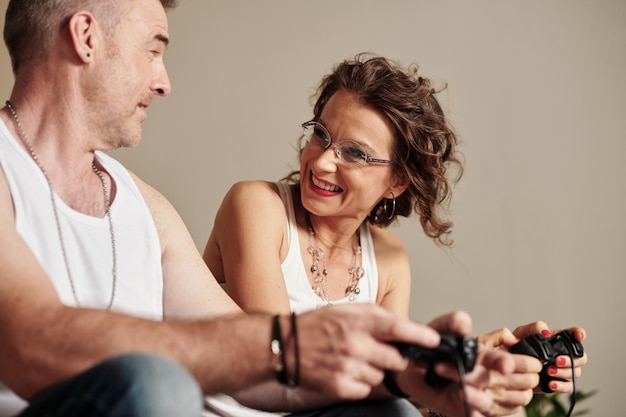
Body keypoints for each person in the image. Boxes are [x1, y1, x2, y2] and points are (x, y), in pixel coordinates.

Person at [0, 2, 521, 417]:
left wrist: (412, 377)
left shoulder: (146, 209)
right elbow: (29, 346)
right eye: (152, 50)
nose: (164, 81)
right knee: (157, 384)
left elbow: (259, 369)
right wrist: (286, 342)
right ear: (86, 37)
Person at [203, 54, 588, 416]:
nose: (320, 161)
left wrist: (474, 378)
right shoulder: (256, 205)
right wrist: (433, 368)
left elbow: (386, 398)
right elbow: (286, 367)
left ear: (397, 182)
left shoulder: (388, 260)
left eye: (354, 153)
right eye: (321, 134)